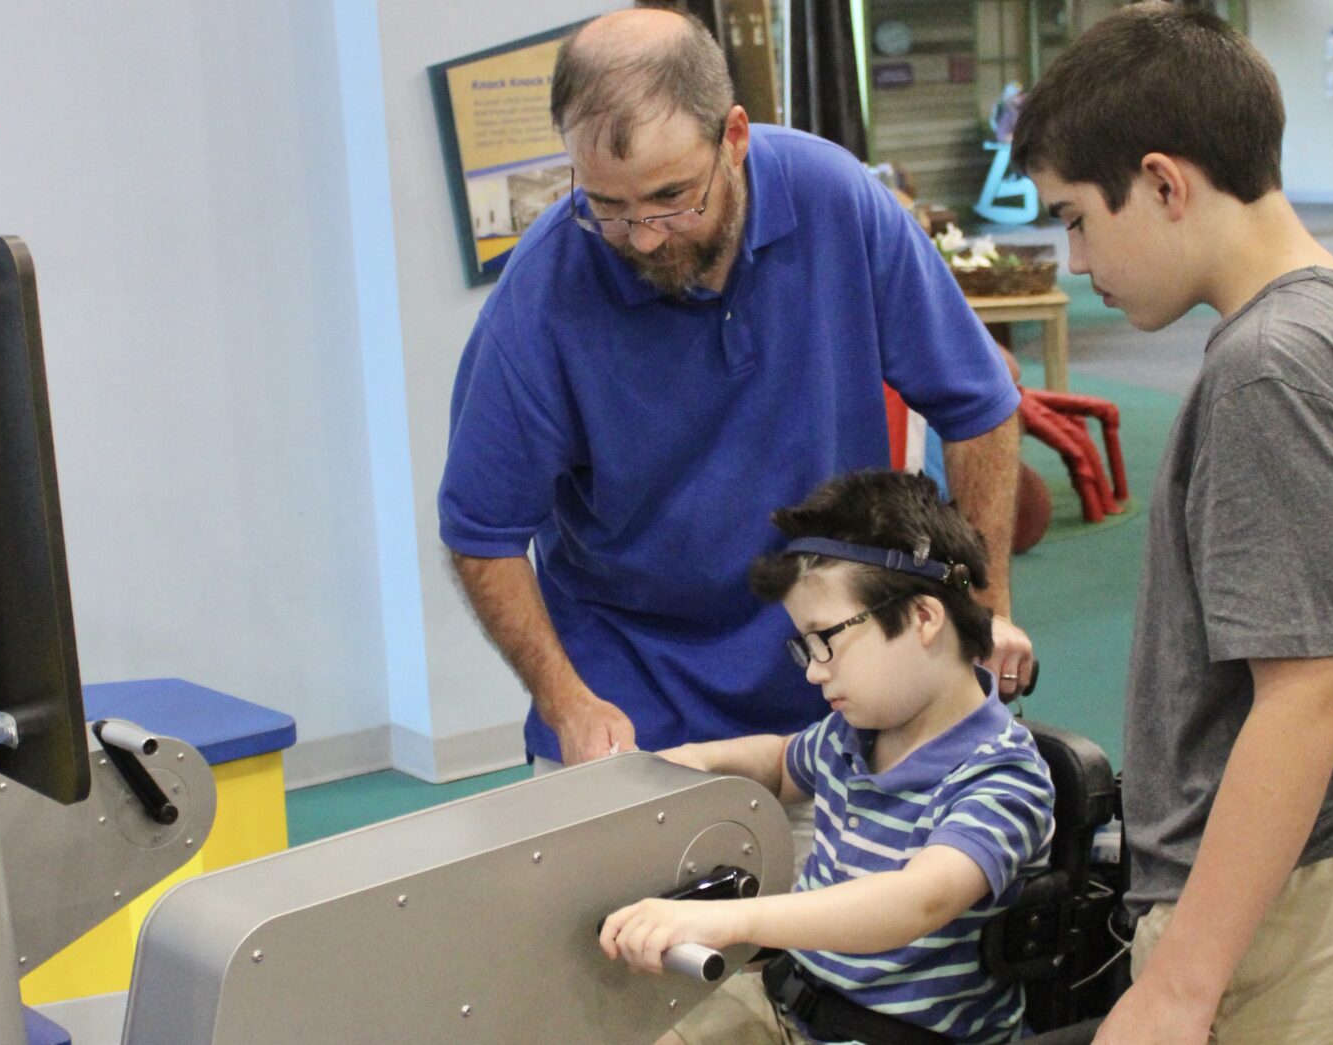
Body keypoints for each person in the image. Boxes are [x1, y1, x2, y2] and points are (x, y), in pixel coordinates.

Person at [439, 4, 1033, 784]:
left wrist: (982, 607)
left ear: (735, 139)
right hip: (634, 707)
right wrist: (567, 702)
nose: (643, 236)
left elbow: (979, 403)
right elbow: (480, 530)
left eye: (672, 197)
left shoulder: (834, 199)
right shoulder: (543, 291)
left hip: (845, 685)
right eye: (608, 207)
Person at [1011, 5, 1333, 1043]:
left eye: (1074, 217)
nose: (1072, 261)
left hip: (1295, 899)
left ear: (1163, 182)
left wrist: (1177, 984)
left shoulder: (1267, 368)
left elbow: (1303, 694)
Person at [598, 469, 1054, 1045]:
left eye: (826, 639)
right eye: (805, 648)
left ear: (922, 619)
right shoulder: (852, 734)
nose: (815, 670)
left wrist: (730, 919)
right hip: (793, 1006)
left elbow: (917, 900)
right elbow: (781, 759)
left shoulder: (1003, 775)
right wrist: (691, 760)